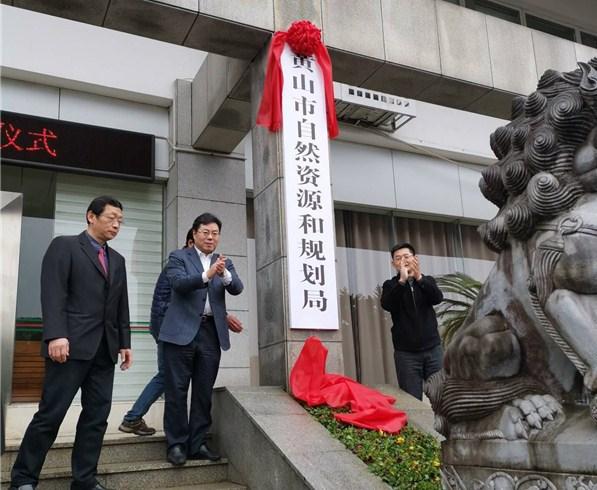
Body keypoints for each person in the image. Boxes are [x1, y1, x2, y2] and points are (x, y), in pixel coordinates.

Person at [10, 196, 132, 490]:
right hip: (68, 347)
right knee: (50, 415)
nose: (116, 224)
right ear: (91, 216)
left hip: (104, 352)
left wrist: (125, 343)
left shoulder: (117, 260)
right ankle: (23, 479)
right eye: (111, 217)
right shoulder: (64, 246)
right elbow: (53, 292)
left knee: (96, 418)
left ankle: (84, 480)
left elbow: (120, 306)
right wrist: (55, 334)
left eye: (120, 220)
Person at [119, 229, 243, 436]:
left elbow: (201, 302)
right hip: (170, 332)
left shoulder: (210, 267)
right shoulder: (177, 265)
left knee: (171, 377)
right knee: (168, 376)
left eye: (214, 235)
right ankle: (133, 418)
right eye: (201, 238)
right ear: (191, 241)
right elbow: (171, 303)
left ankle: (134, 418)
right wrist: (164, 335)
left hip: (186, 332)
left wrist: (224, 315)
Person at [159, 213, 243, 466]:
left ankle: (197, 444)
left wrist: (224, 274)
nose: (210, 237)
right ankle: (176, 445)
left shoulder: (223, 261)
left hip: (210, 333)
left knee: (203, 392)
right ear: (194, 233)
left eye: (215, 233)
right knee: (176, 391)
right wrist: (208, 274)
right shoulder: (178, 256)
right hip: (180, 333)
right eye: (205, 232)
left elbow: (237, 288)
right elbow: (179, 284)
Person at [380, 242, 443, 401]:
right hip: (406, 354)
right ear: (393, 263)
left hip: (433, 350)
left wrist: (419, 278)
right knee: (412, 400)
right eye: (398, 258)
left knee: (441, 396)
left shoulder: (427, 281)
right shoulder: (390, 285)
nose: (403, 261)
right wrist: (401, 281)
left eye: (406, 256)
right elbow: (387, 304)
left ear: (415, 259)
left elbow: (437, 298)